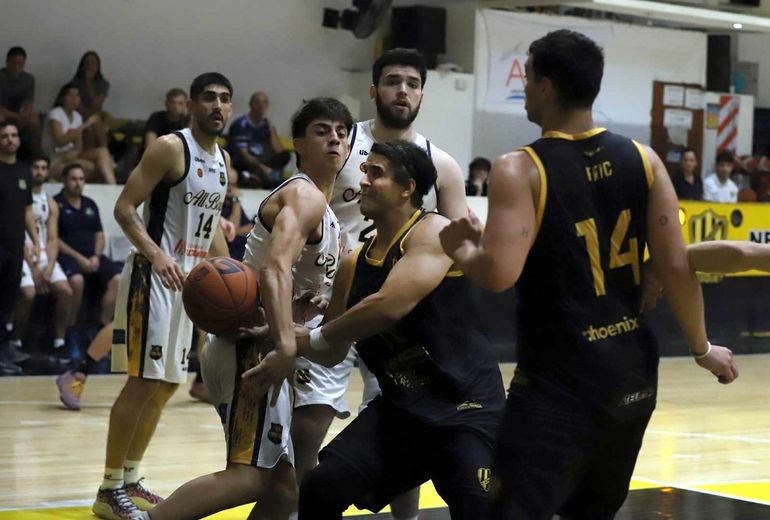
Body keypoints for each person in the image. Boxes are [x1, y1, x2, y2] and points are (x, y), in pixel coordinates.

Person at [438, 30, 739, 519]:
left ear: (546, 88)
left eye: (530, 77)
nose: (527, 87)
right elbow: (676, 266)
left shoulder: (521, 168)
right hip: (633, 375)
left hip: (561, 381)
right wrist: (703, 349)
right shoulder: (645, 160)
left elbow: (498, 275)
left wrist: (464, 248)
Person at [244, 140, 504, 519]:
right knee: (321, 485)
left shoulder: (434, 231)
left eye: (376, 174)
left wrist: (310, 338)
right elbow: (333, 351)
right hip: (404, 411)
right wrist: (286, 335)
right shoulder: (352, 265)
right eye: (365, 172)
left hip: (466, 406)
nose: (363, 182)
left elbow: (388, 306)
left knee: (478, 508)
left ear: (408, 188)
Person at [144, 97, 352, 520]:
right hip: (251, 349)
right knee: (252, 477)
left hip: (256, 344)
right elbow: (274, 269)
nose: (335, 137)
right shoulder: (304, 194)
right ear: (297, 143)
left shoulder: (327, 212)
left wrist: (308, 304)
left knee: (282, 489)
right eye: (322, 130)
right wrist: (285, 348)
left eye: (342, 132)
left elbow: (283, 277)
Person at [284, 47, 469, 520]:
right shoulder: (342, 144)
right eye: (392, 81)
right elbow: (304, 208)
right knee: (308, 425)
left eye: (411, 82)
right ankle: (307, 507)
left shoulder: (440, 164)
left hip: (396, 316)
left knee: (405, 426)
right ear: (374, 90)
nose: (401, 91)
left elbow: (454, 247)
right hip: (329, 299)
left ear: (423, 93)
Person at [91, 72, 234, 520]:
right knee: (143, 380)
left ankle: (130, 479)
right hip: (152, 278)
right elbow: (124, 208)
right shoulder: (172, 148)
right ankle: (108, 488)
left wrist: (236, 278)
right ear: (191, 105)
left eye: (225, 99)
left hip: (189, 286)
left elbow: (211, 238)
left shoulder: (223, 160)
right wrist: (156, 256)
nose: (218, 105)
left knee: (169, 383)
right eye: (209, 97)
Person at [12, 156, 73, 359]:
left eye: (43, 168)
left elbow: (53, 239)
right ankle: (16, 341)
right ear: (29, 170)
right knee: (28, 293)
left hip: (44, 255)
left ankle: (60, 342)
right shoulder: (18, 196)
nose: (39, 171)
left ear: (48, 172)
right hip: (23, 254)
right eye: (35, 167)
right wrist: (34, 267)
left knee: (65, 290)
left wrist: (49, 266)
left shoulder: (50, 202)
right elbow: (16, 233)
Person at [55, 163, 122, 342]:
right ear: (64, 181)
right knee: (76, 282)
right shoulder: (56, 203)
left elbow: (99, 234)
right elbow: (55, 239)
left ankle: (101, 329)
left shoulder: (89, 203)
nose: (78, 183)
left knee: (119, 279)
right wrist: (80, 259)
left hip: (93, 257)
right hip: (68, 257)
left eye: (81, 179)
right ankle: (70, 332)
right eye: (73, 179)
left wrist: (96, 256)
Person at [0, 121, 40, 375]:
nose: (10, 139)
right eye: (4, 136)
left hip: (15, 247)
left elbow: (27, 210)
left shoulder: (25, 171)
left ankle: (5, 347)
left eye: (14, 135)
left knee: (9, 299)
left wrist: (35, 241)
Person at [43, 83, 116, 183]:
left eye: (77, 96)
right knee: (91, 167)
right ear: (63, 98)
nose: (74, 99)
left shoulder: (77, 116)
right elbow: (60, 141)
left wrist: (75, 152)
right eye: (70, 95)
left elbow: (79, 146)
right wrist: (85, 126)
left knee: (102, 152)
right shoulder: (55, 114)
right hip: (56, 158)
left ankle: (113, 187)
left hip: (71, 155)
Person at [227, 91, 290, 189]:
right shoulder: (241, 124)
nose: (261, 106)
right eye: (257, 102)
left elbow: (278, 150)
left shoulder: (266, 125)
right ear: (251, 105)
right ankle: (254, 177)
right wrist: (263, 168)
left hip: (261, 159)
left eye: (264, 103)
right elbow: (243, 153)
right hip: (246, 161)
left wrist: (270, 125)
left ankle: (261, 178)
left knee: (285, 156)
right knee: (243, 159)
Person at [0, 46, 41, 160]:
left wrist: (26, 114)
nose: (17, 67)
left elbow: (29, 102)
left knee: (34, 119)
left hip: (19, 116)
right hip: (5, 114)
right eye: (14, 64)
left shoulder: (28, 79)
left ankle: (37, 158)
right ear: (7, 62)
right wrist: (17, 116)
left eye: (20, 64)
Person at [70, 51, 111, 151]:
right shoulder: (74, 83)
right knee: (94, 123)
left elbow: (96, 105)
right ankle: (103, 154)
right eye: (87, 63)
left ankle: (103, 153)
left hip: (96, 115)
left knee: (99, 120)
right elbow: (77, 107)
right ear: (82, 66)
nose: (90, 66)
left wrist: (89, 83)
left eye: (93, 63)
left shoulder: (103, 83)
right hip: (79, 116)